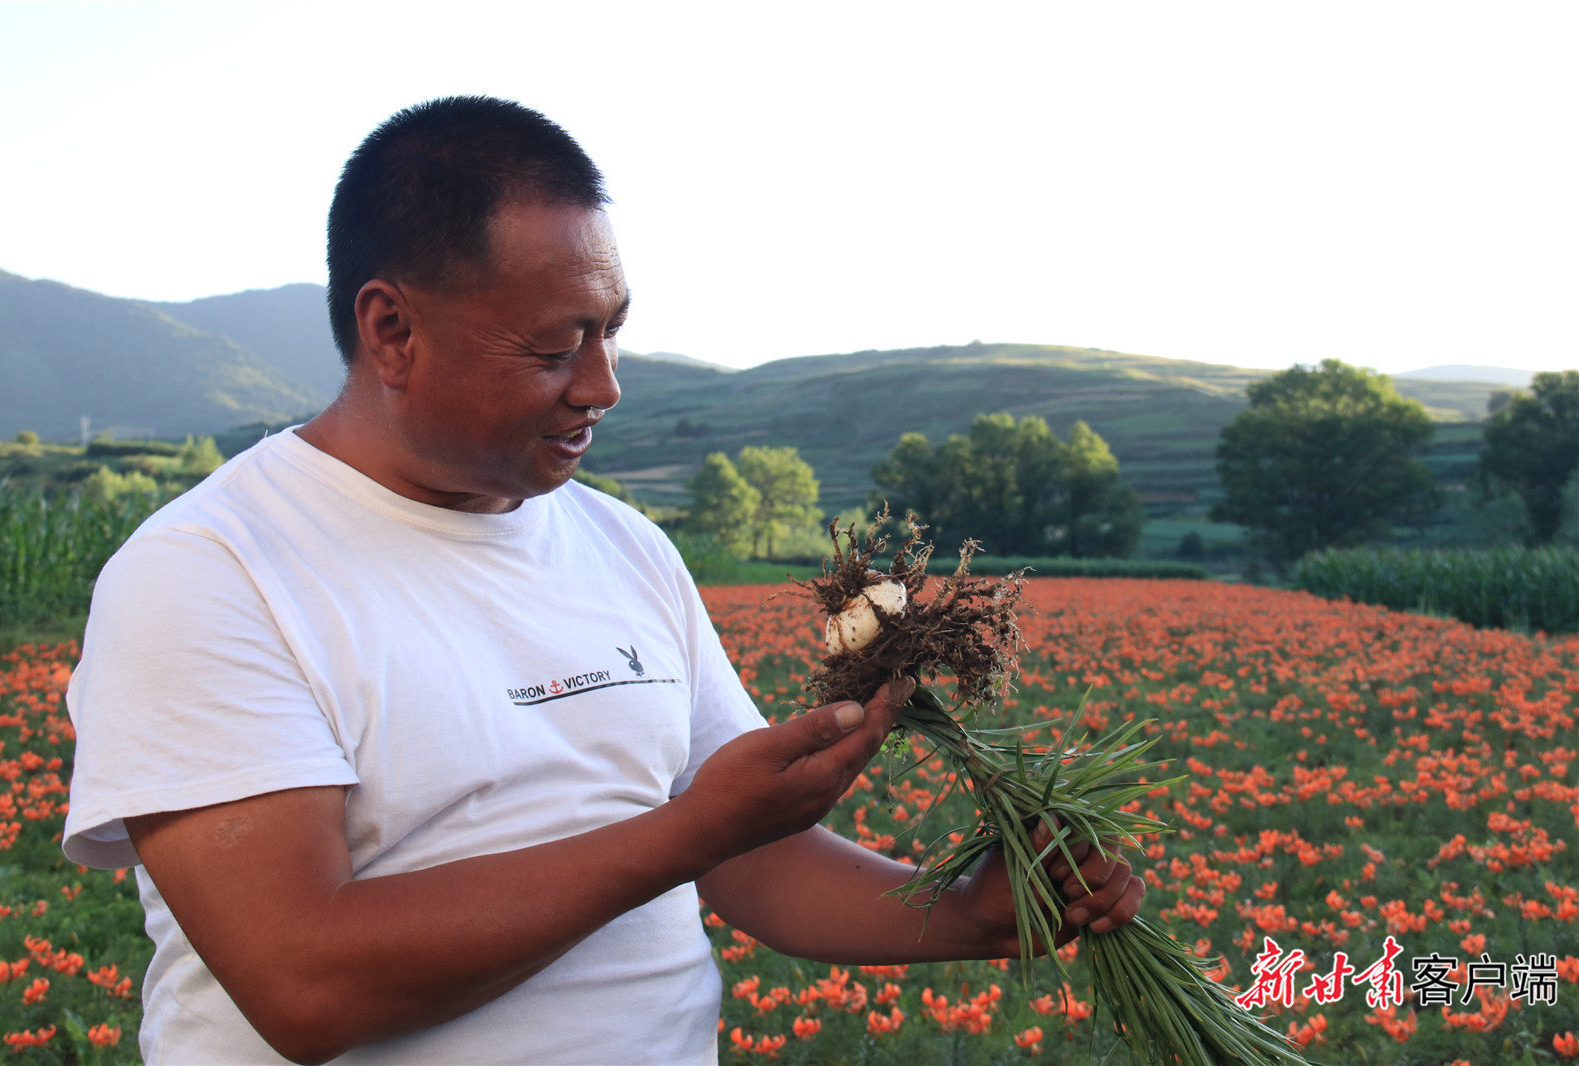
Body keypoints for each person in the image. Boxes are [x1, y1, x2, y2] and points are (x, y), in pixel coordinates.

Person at [63, 96, 1145, 1065]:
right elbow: (304, 984)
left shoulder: (622, 547)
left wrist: (969, 915)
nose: (604, 385)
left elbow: (751, 863)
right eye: (555, 347)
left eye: (613, 330)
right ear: (391, 329)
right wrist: (690, 832)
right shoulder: (210, 571)